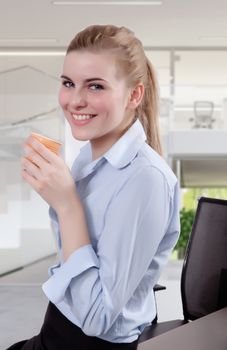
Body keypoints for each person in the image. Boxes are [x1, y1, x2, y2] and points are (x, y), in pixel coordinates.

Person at [8, 24, 180, 350]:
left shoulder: (145, 180)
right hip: (57, 330)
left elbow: (97, 319)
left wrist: (67, 204)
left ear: (134, 95)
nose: (75, 100)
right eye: (69, 83)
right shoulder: (89, 159)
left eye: (95, 86)